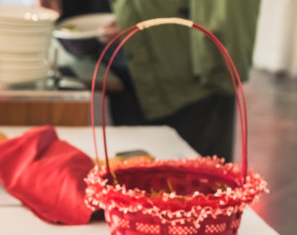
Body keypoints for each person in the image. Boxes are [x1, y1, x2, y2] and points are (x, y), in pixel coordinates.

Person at [44, 0, 261, 161]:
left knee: (199, 190)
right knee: (138, 186)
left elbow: (225, 18)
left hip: (187, 77)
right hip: (129, 72)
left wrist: (217, 63)